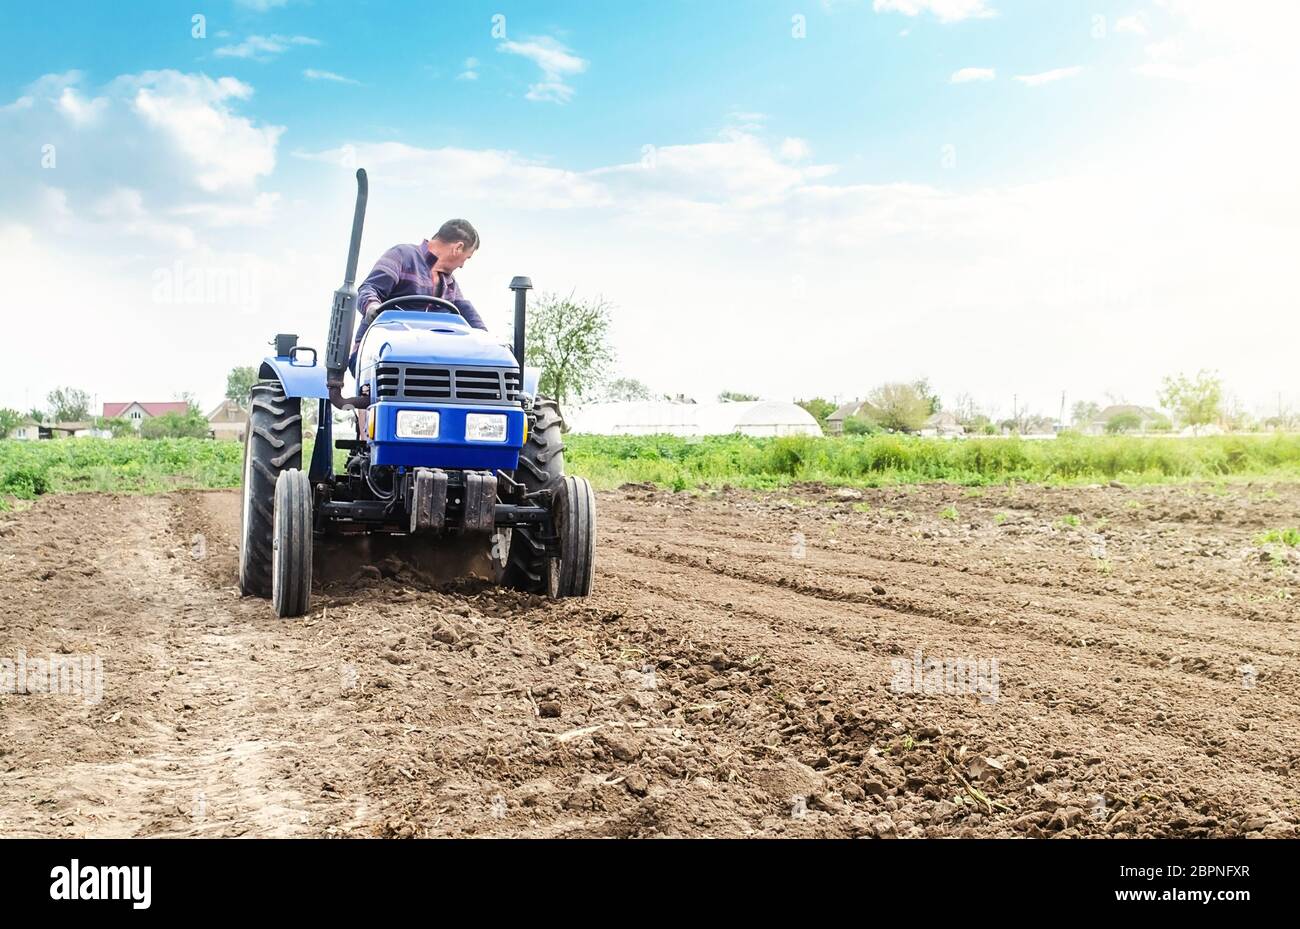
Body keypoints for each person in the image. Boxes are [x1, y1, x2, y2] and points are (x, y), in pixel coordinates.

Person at [349, 218, 486, 374]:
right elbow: (369, 289)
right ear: (458, 248)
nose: (462, 265)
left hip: (425, 358)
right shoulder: (402, 255)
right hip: (380, 353)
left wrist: (488, 341)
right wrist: (372, 307)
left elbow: (468, 313)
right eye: (466, 258)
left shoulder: (449, 283)